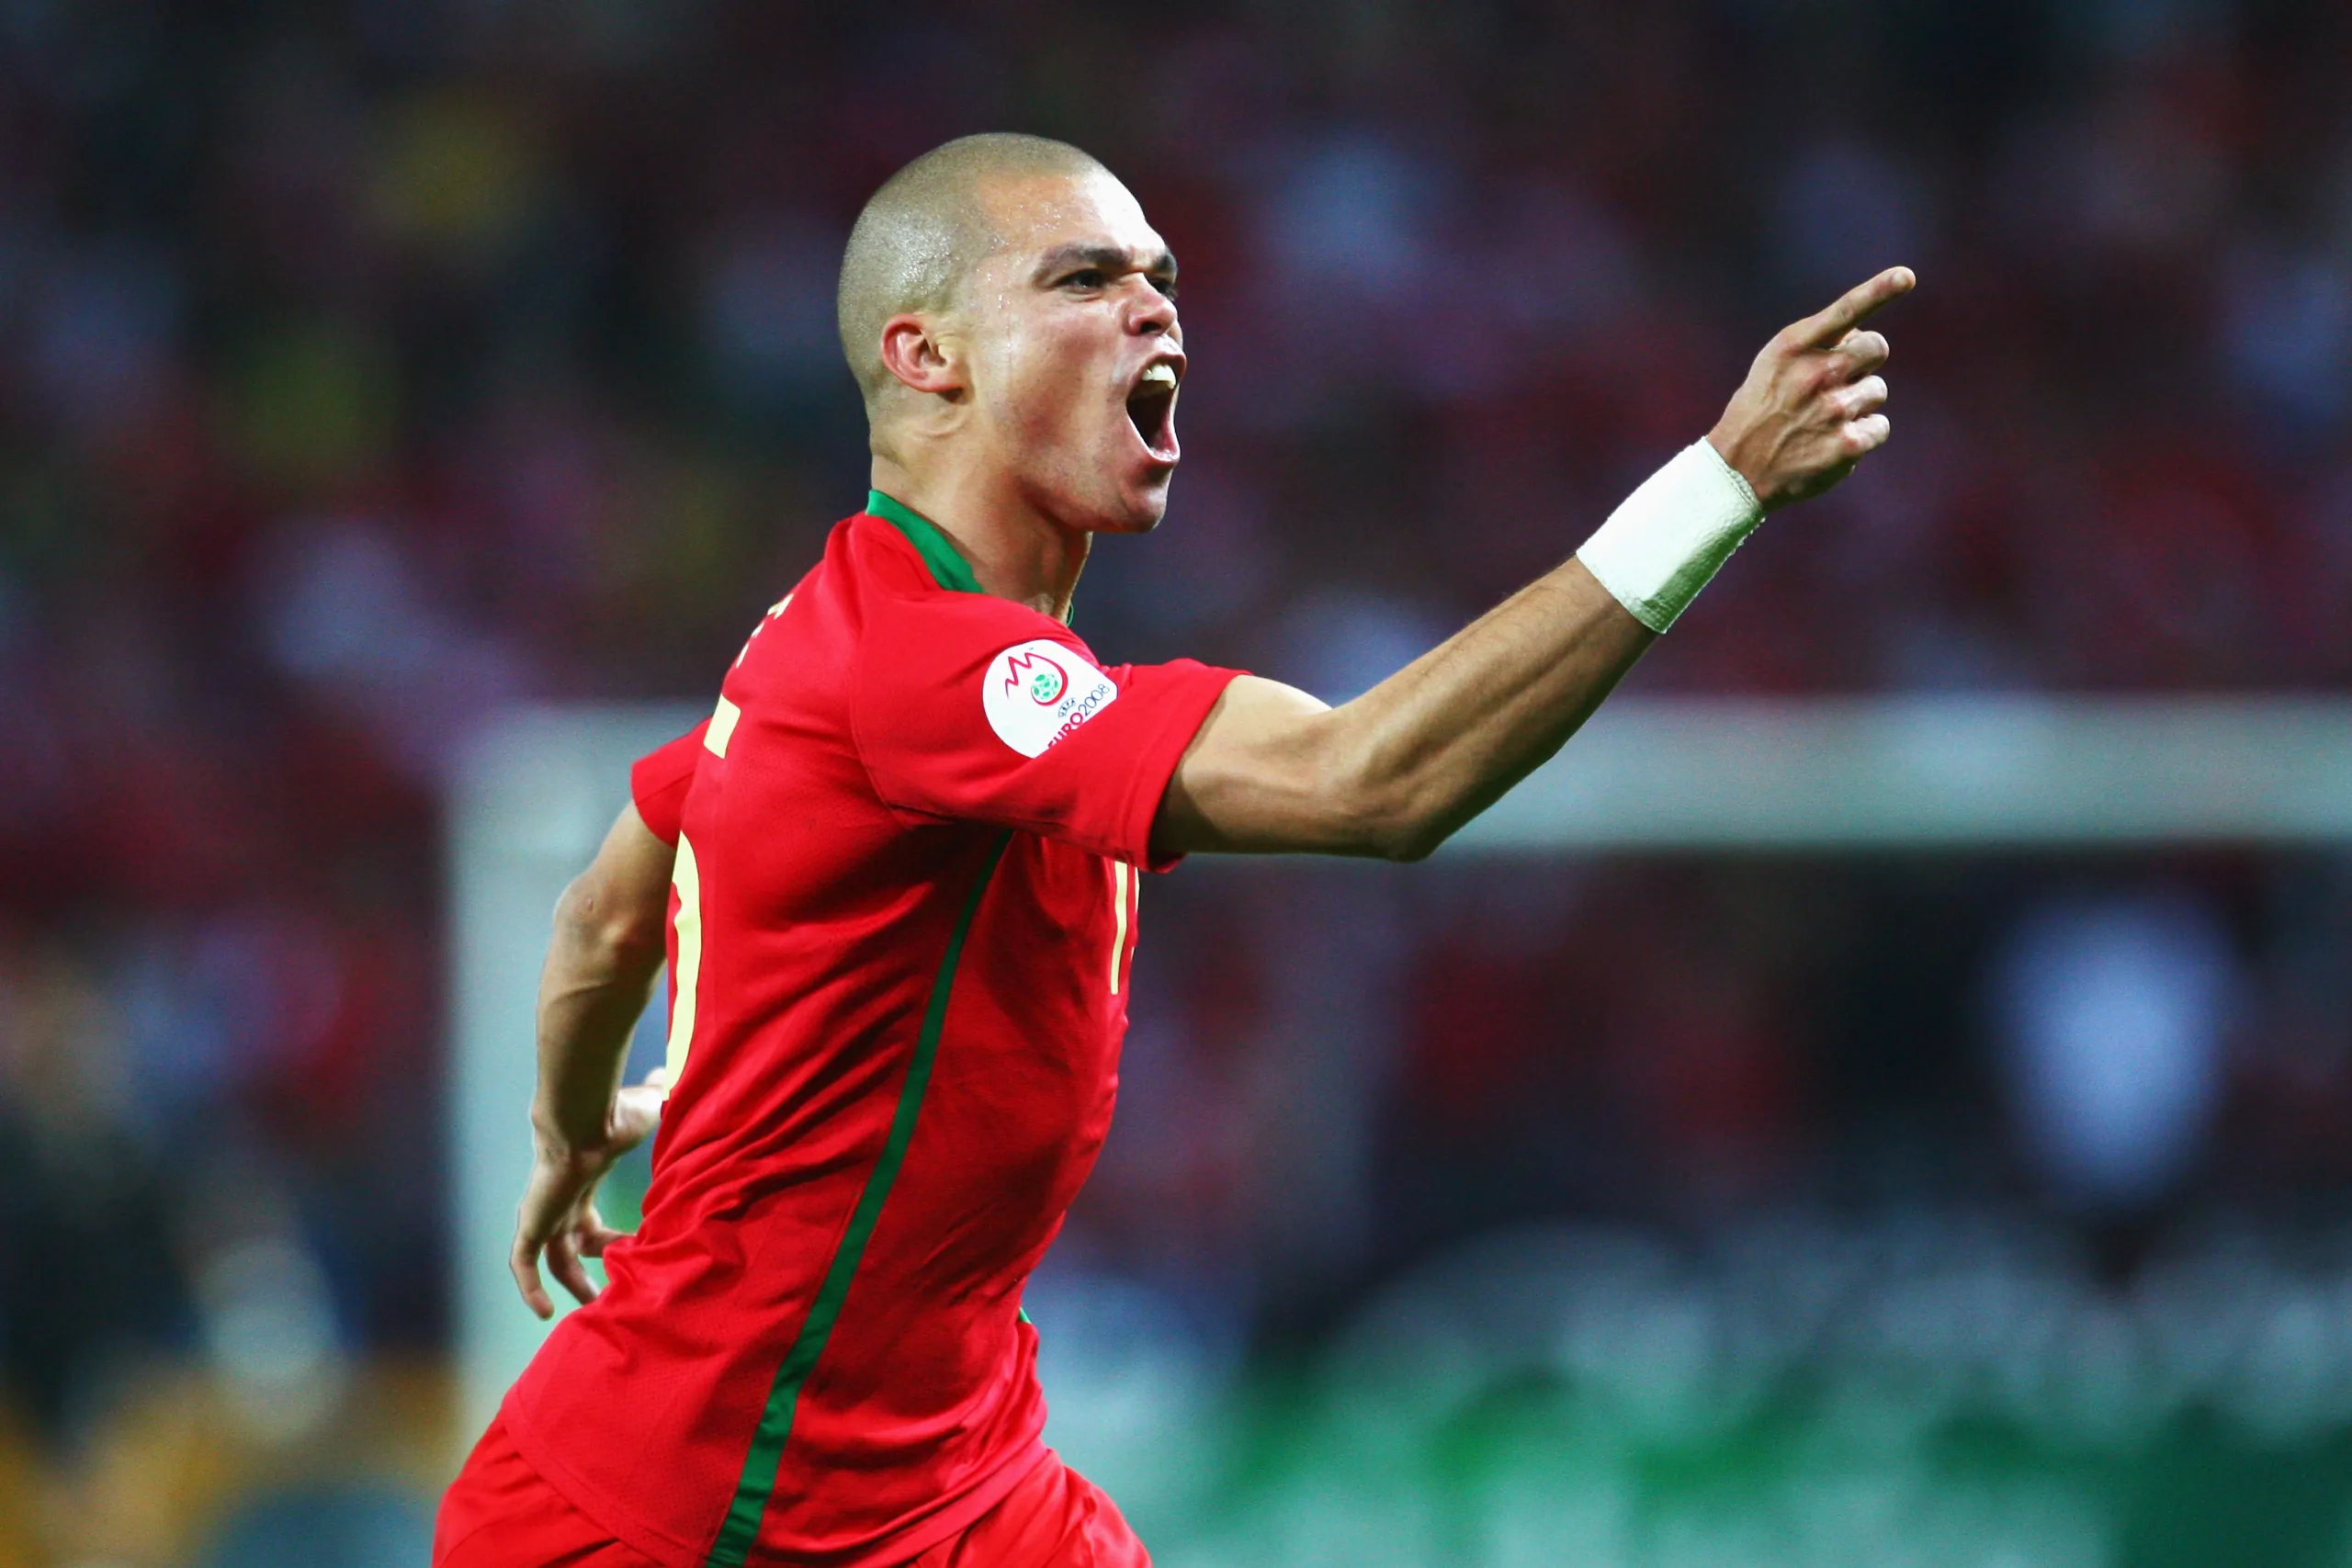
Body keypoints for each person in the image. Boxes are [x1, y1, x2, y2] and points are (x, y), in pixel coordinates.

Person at [432, 132, 1911, 1568]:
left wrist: (573, 1128)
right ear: (925, 355)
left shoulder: (849, 644)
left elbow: (607, 910)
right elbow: (1375, 783)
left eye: (1162, 276)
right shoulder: (923, 670)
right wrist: (1717, 486)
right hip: (677, 1513)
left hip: (948, 1483)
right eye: (1083, 279)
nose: (1155, 307)